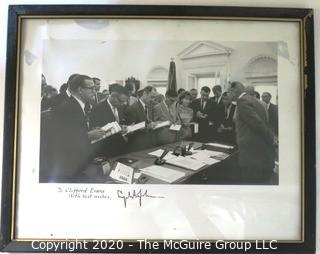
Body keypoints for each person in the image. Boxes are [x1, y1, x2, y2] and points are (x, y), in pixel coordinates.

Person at [48, 75, 106, 182]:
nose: (95, 91)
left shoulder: (79, 105)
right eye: (91, 88)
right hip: (71, 166)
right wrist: (88, 134)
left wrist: (91, 129)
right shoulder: (66, 108)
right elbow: (61, 138)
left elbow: (76, 128)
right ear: (80, 90)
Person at [229, 81, 276, 184]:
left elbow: (257, 123)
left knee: (250, 181)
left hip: (249, 151)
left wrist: (272, 138)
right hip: (258, 149)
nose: (229, 95)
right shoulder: (254, 100)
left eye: (229, 92)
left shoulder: (242, 101)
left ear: (234, 90)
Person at [90, 84, 129, 157]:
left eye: (124, 101)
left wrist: (123, 127)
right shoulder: (98, 109)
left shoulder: (120, 107)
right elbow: (96, 130)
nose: (123, 103)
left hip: (119, 147)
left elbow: (120, 122)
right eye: (121, 101)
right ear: (113, 95)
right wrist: (117, 128)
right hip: (105, 150)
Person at [126, 86, 158, 151]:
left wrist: (154, 123)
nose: (153, 100)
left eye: (154, 98)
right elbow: (131, 130)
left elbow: (148, 120)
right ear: (145, 94)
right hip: (138, 145)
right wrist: (147, 126)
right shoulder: (133, 108)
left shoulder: (150, 106)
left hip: (150, 143)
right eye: (152, 97)